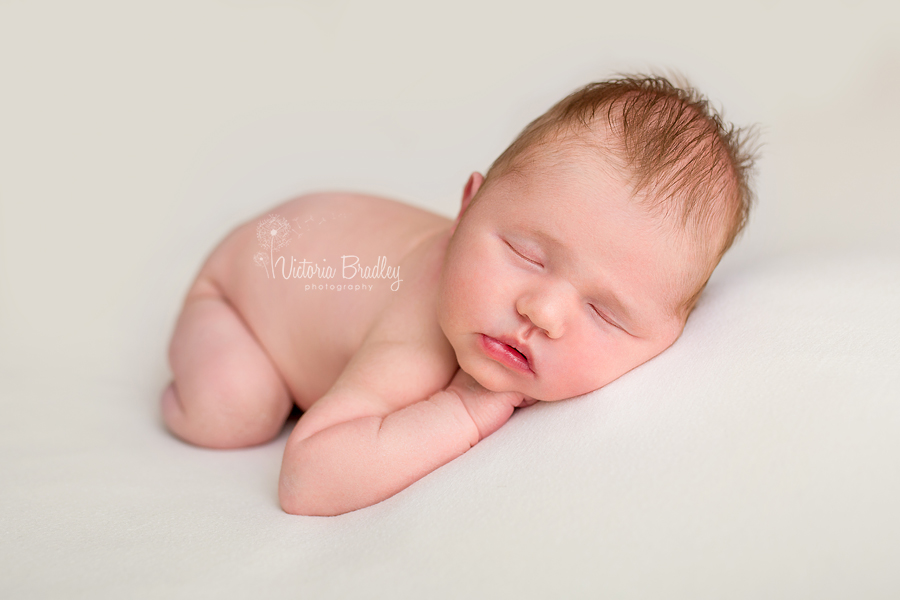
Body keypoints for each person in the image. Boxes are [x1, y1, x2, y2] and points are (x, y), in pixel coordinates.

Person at [161, 75, 757, 516]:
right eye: (526, 254)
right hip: (246, 286)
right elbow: (306, 482)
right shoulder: (417, 333)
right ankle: (189, 379)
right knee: (235, 411)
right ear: (467, 207)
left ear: (668, 336)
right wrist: (461, 411)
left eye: (604, 313)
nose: (543, 312)